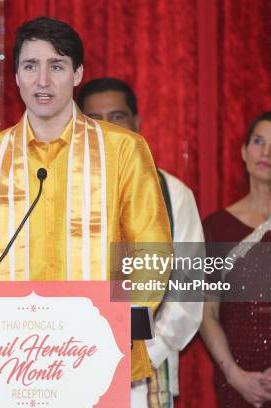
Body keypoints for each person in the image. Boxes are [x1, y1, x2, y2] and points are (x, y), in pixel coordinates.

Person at [0, 16, 172, 385]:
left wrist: (120, 321)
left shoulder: (124, 150)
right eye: (30, 66)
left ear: (78, 74)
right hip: (10, 360)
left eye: (57, 66)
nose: (43, 81)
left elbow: (150, 249)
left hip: (101, 355)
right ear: (16, 76)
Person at [78, 77, 204, 408]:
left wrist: (140, 353)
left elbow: (188, 293)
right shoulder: (53, 195)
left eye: (117, 117)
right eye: (94, 120)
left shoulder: (172, 195)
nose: (107, 128)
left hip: (144, 376)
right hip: (70, 369)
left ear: (137, 123)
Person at [200, 111, 271, 407]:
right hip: (236, 379)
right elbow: (207, 312)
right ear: (244, 152)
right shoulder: (215, 226)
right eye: (258, 142)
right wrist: (235, 375)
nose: (266, 152)